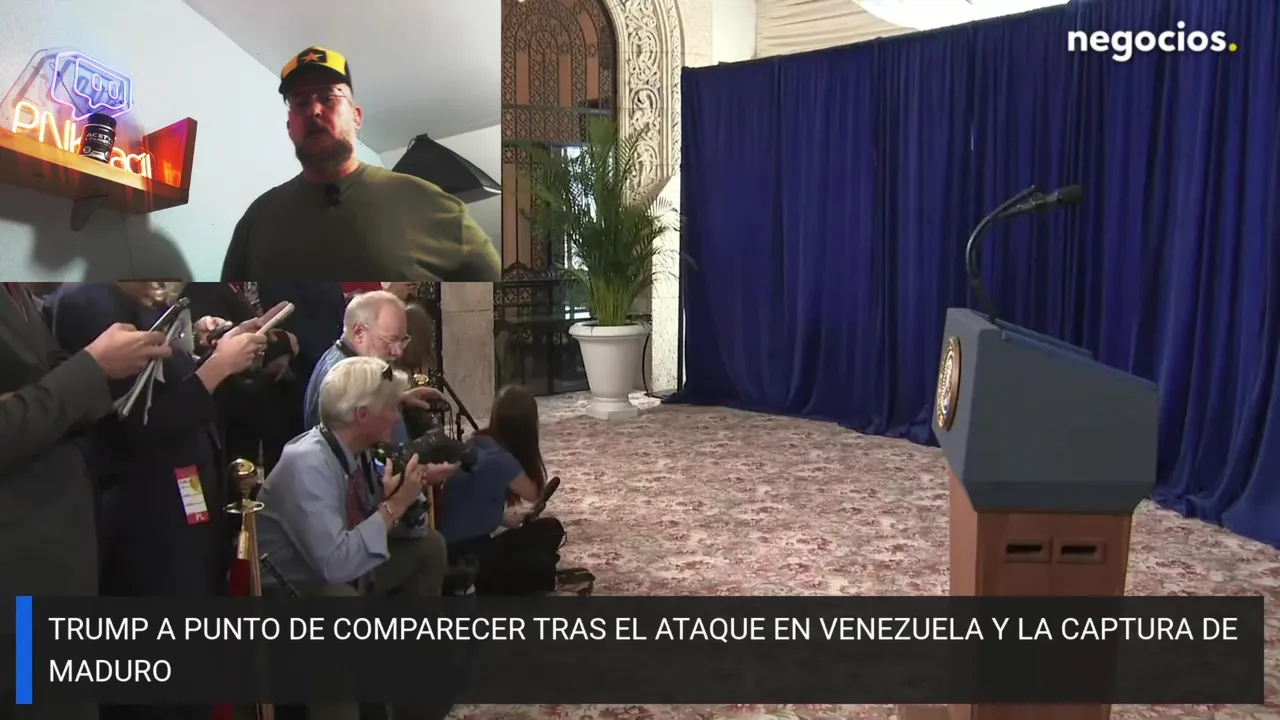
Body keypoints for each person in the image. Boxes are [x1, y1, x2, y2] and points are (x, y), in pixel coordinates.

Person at [46, 283, 267, 720]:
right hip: (147, 521)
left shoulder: (139, 302)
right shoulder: (90, 300)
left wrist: (213, 351)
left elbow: (167, 391)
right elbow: (137, 424)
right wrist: (216, 368)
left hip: (184, 512)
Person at [1, 283, 172, 720]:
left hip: (59, 560)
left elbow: (50, 377)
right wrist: (91, 368)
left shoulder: (19, 295)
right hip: (20, 575)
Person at [254, 356, 455, 720]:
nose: (395, 418)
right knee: (340, 603)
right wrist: (395, 504)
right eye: (390, 408)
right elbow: (336, 564)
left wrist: (398, 495)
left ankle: (411, 691)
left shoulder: (354, 452)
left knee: (429, 548)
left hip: (337, 574)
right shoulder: (307, 464)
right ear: (362, 415)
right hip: (290, 595)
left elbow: (376, 526)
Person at [219, 46, 502, 281]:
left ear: (356, 117)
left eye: (328, 97)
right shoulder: (257, 220)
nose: (314, 110)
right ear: (289, 127)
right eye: (300, 103)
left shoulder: (434, 204)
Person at [303, 290, 444, 438]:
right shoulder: (338, 380)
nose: (398, 352)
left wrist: (399, 399)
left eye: (402, 340)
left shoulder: (351, 367)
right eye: (391, 340)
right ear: (359, 332)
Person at [437, 385, 546, 561]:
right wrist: (530, 451)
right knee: (549, 530)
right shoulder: (502, 461)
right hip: (465, 552)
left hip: (450, 545)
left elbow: (473, 499)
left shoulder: (478, 442)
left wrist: (503, 520)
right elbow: (535, 495)